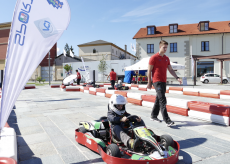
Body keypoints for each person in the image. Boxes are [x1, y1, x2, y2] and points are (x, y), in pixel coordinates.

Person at [147, 40, 182, 127]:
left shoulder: (166, 58)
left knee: (158, 99)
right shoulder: (153, 57)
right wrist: (149, 82)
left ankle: (153, 116)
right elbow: (149, 70)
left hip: (163, 81)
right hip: (156, 81)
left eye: (166, 47)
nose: (165, 49)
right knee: (163, 100)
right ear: (160, 47)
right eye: (164, 47)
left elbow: (170, 70)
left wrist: (177, 77)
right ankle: (167, 120)